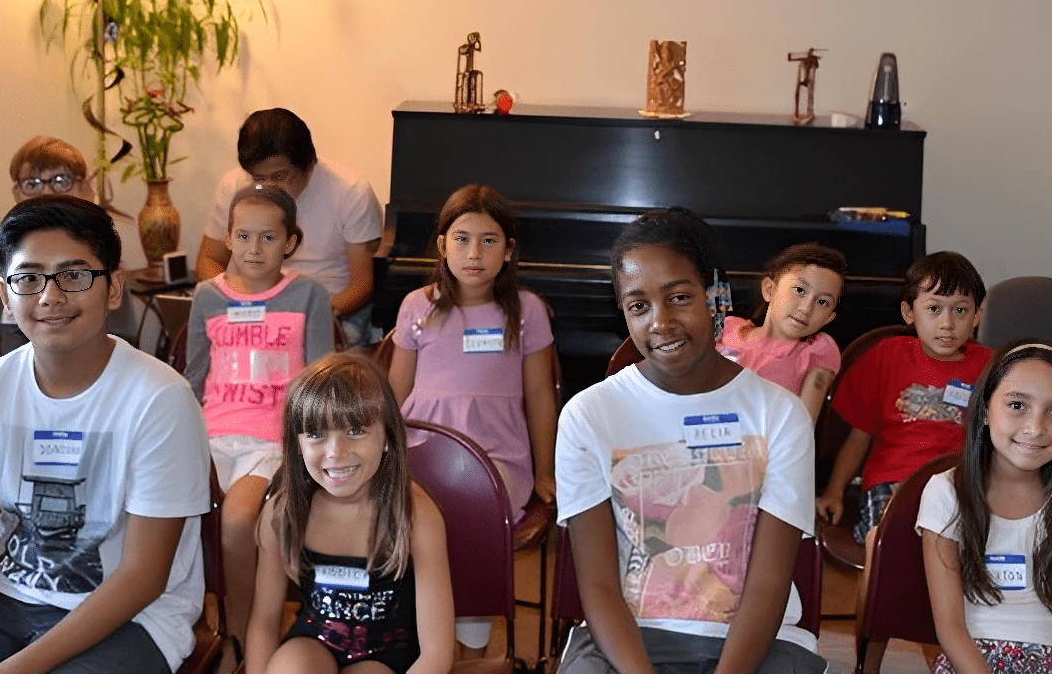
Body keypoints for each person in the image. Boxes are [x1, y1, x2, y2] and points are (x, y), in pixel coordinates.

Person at [554, 208, 826, 674]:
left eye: (679, 297)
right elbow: (597, 585)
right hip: (628, 640)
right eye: (639, 306)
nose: (660, 322)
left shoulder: (780, 414)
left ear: (716, 295)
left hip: (756, 644)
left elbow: (768, 583)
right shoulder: (589, 415)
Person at [0, 196, 210, 674]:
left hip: (132, 618)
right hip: (6, 600)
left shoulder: (161, 399)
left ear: (113, 287)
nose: (50, 296)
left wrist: (10, 671)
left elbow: (143, 577)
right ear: (4, 297)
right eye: (28, 278)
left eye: (74, 275)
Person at [387, 184, 557, 658]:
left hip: (495, 457)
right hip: (422, 451)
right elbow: (395, 393)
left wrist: (545, 471)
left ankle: (472, 645)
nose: (474, 252)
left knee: (467, 506)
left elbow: (541, 396)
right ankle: (412, 634)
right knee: (402, 510)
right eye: (461, 238)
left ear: (508, 251)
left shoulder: (526, 311)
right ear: (442, 245)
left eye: (489, 240)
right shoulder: (417, 307)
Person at [185, 184, 334, 667]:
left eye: (268, 238)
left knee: (235, 522)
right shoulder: (207, 296)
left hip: (269, 442)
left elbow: (320, 376)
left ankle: (244, 640)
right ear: (227, 238)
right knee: (167, 519)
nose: (254, 249)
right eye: (244, 236)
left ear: (290, 242)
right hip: (208, 439)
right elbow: (193, 378)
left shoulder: (308, 294)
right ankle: (196, 631)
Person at [244, 353, 455, 674]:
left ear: (387, 437)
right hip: (315, 641)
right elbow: (263, 620)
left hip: (388, 655)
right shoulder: (283, 512)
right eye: (316, 434)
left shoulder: (415, 514)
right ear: (296, 443)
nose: (335, 452)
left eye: (355, 431)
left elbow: (437, 654)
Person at [918, 342, 1052, 673]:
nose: (1036, 428)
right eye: (1017, 405)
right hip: (971, 660)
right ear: (985, 410)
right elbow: (950, 627)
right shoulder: (946, 492)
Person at [816, 251, 993, 544]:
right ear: (909, 313)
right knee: (886, 543)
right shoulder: (887, 356)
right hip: (892, 481)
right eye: (934, 309)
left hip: (961, 483)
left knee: (964, 545)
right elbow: (859, 435)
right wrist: (834, 492)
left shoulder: (991, 366)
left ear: (977, 315)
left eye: (960, 310)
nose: (947, 323)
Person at [195, 109, 384, 345]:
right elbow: (209, 260)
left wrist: (302, 314)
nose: (269, 187)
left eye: (280, 176)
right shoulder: (234, 186)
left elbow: (364, 283)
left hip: (330, 307)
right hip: (250, 305)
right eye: (259, 178)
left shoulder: (350, 192)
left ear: (309, 163)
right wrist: (237, 300)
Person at [0, 136, 138, 371]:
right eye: (33, 183)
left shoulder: (101, 264)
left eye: (60, 180)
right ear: (17, 192)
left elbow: (121, 350)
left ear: (84, 188)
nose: (46, 192)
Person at [717, 242, 845, 421]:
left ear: (829, 318)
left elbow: (804, 427)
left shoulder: (815, 352)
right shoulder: (727, 330)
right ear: (769, 289)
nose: (806, 308)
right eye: (799, 290)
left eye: (822, 302)